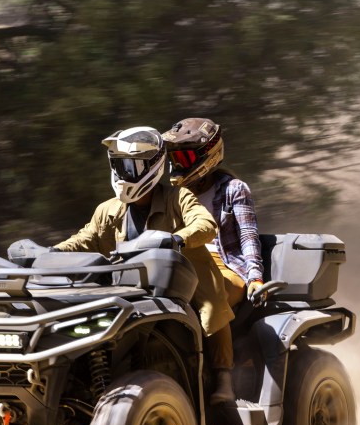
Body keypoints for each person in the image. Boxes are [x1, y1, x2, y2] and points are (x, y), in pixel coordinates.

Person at [51, 126, 237, 404]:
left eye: (131, 165)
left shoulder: (178, 197)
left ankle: (224, 380)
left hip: (186, 282)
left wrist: (177, 239)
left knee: (211, 309)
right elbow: (84, 239)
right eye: (119, 165)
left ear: (153, 166)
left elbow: (206, 225)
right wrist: (49, 252)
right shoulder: (108, 210)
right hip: (130, 287)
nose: (123, 173)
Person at [162, 118, 265, 323]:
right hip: (183, 266)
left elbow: (248, 236)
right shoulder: (170, 195)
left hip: (226, 268)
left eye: (184, 157)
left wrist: (255, 277)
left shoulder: (234, 189)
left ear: (207, 154)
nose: (178, 165)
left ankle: (219, 357)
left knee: (208, 302)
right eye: (174, 159)